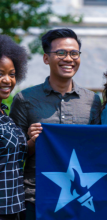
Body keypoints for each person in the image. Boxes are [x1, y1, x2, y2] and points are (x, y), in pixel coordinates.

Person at [9, 28, 101, 220]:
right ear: (45, 58)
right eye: (61, 53)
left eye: (74, 53)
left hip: (81, 198)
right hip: (35, 198)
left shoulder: (92, 101)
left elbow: (97, 150)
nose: (68, 58)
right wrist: (32, 143)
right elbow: (12, 157)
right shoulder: (25, 99)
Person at [0, 35, 36, 220]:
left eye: (12, 74)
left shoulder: (5, 114)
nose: (7, 80)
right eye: (0, 73)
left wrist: (32, 141)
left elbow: (13, 157)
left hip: (14, 209)